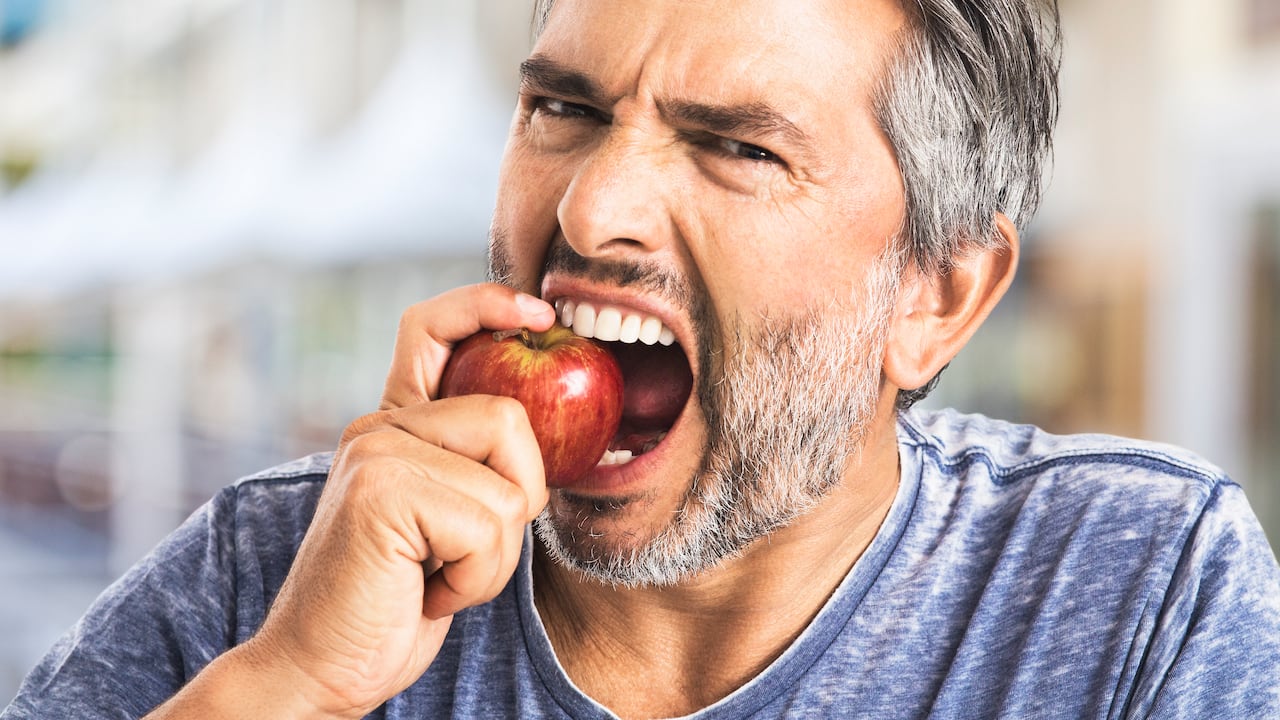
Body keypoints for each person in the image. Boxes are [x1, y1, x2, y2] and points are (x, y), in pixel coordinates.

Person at [6, 0, 1280, 717]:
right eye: (563, 110)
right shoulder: (273, 581)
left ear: (936, 297)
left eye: (736, 145)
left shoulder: (1130, 590)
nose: (588, 209)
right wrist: (286, 687)